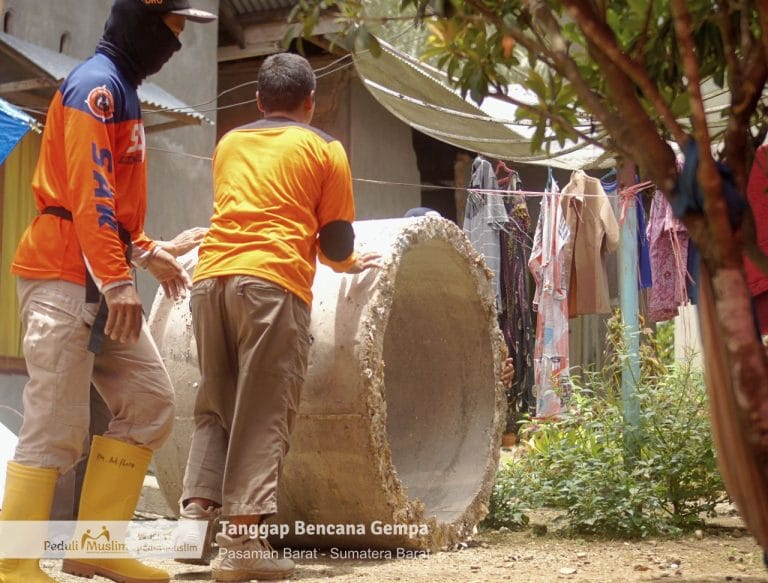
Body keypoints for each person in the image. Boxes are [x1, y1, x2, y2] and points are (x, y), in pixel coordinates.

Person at [0, 3, 216, 583]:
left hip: (98, 279)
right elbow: (89, 196)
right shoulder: (96, 89)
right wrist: (121, 281)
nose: (176, 43)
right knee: (55, 426)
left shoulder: (122, 89)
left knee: (149, 401)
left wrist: (149, 251)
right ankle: (13, 563)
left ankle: (95, 545)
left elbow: (114, 211)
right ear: (141, 23)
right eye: (171, 28)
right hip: (65, 277)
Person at [176, 52, 381, 581]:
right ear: (312, 103)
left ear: (260, 100)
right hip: (270, 286)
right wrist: (352, 263)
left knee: (216, 400)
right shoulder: (324, 149)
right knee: (263, 411)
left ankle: (194, 524)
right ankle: (243, 546)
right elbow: (336, 243)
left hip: (210, 279)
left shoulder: (230, 143)